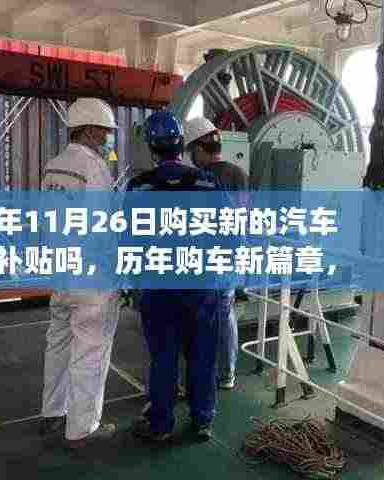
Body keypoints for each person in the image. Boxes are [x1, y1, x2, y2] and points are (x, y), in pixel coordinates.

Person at [126, 110, 222, 442]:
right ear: (181, 144)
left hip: (159, 286)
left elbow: (129, 239)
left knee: (163, 357)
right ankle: (202, 420)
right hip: (201, 284)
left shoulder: (139, 187)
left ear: (152, 148)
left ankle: (161, 424)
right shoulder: (207, 182)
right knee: (203, 356)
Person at [39, 97, 120, 448]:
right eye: (104, 131)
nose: (108, 138)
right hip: (91, 276)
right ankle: (81, 428)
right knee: (90, 351)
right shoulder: (95, 168)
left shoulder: (53, 167)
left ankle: (52, 412)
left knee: (58, 343)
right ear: (88, 130)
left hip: (61, 271)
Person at [184, 116, 249, 390]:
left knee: (201, 316)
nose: (191, 158)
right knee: (225, 312)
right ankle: (227, 373)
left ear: (200, 149)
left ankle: (203, 373)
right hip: (233, 256)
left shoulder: (199, 179)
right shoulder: (239, 174)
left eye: (191, 151)